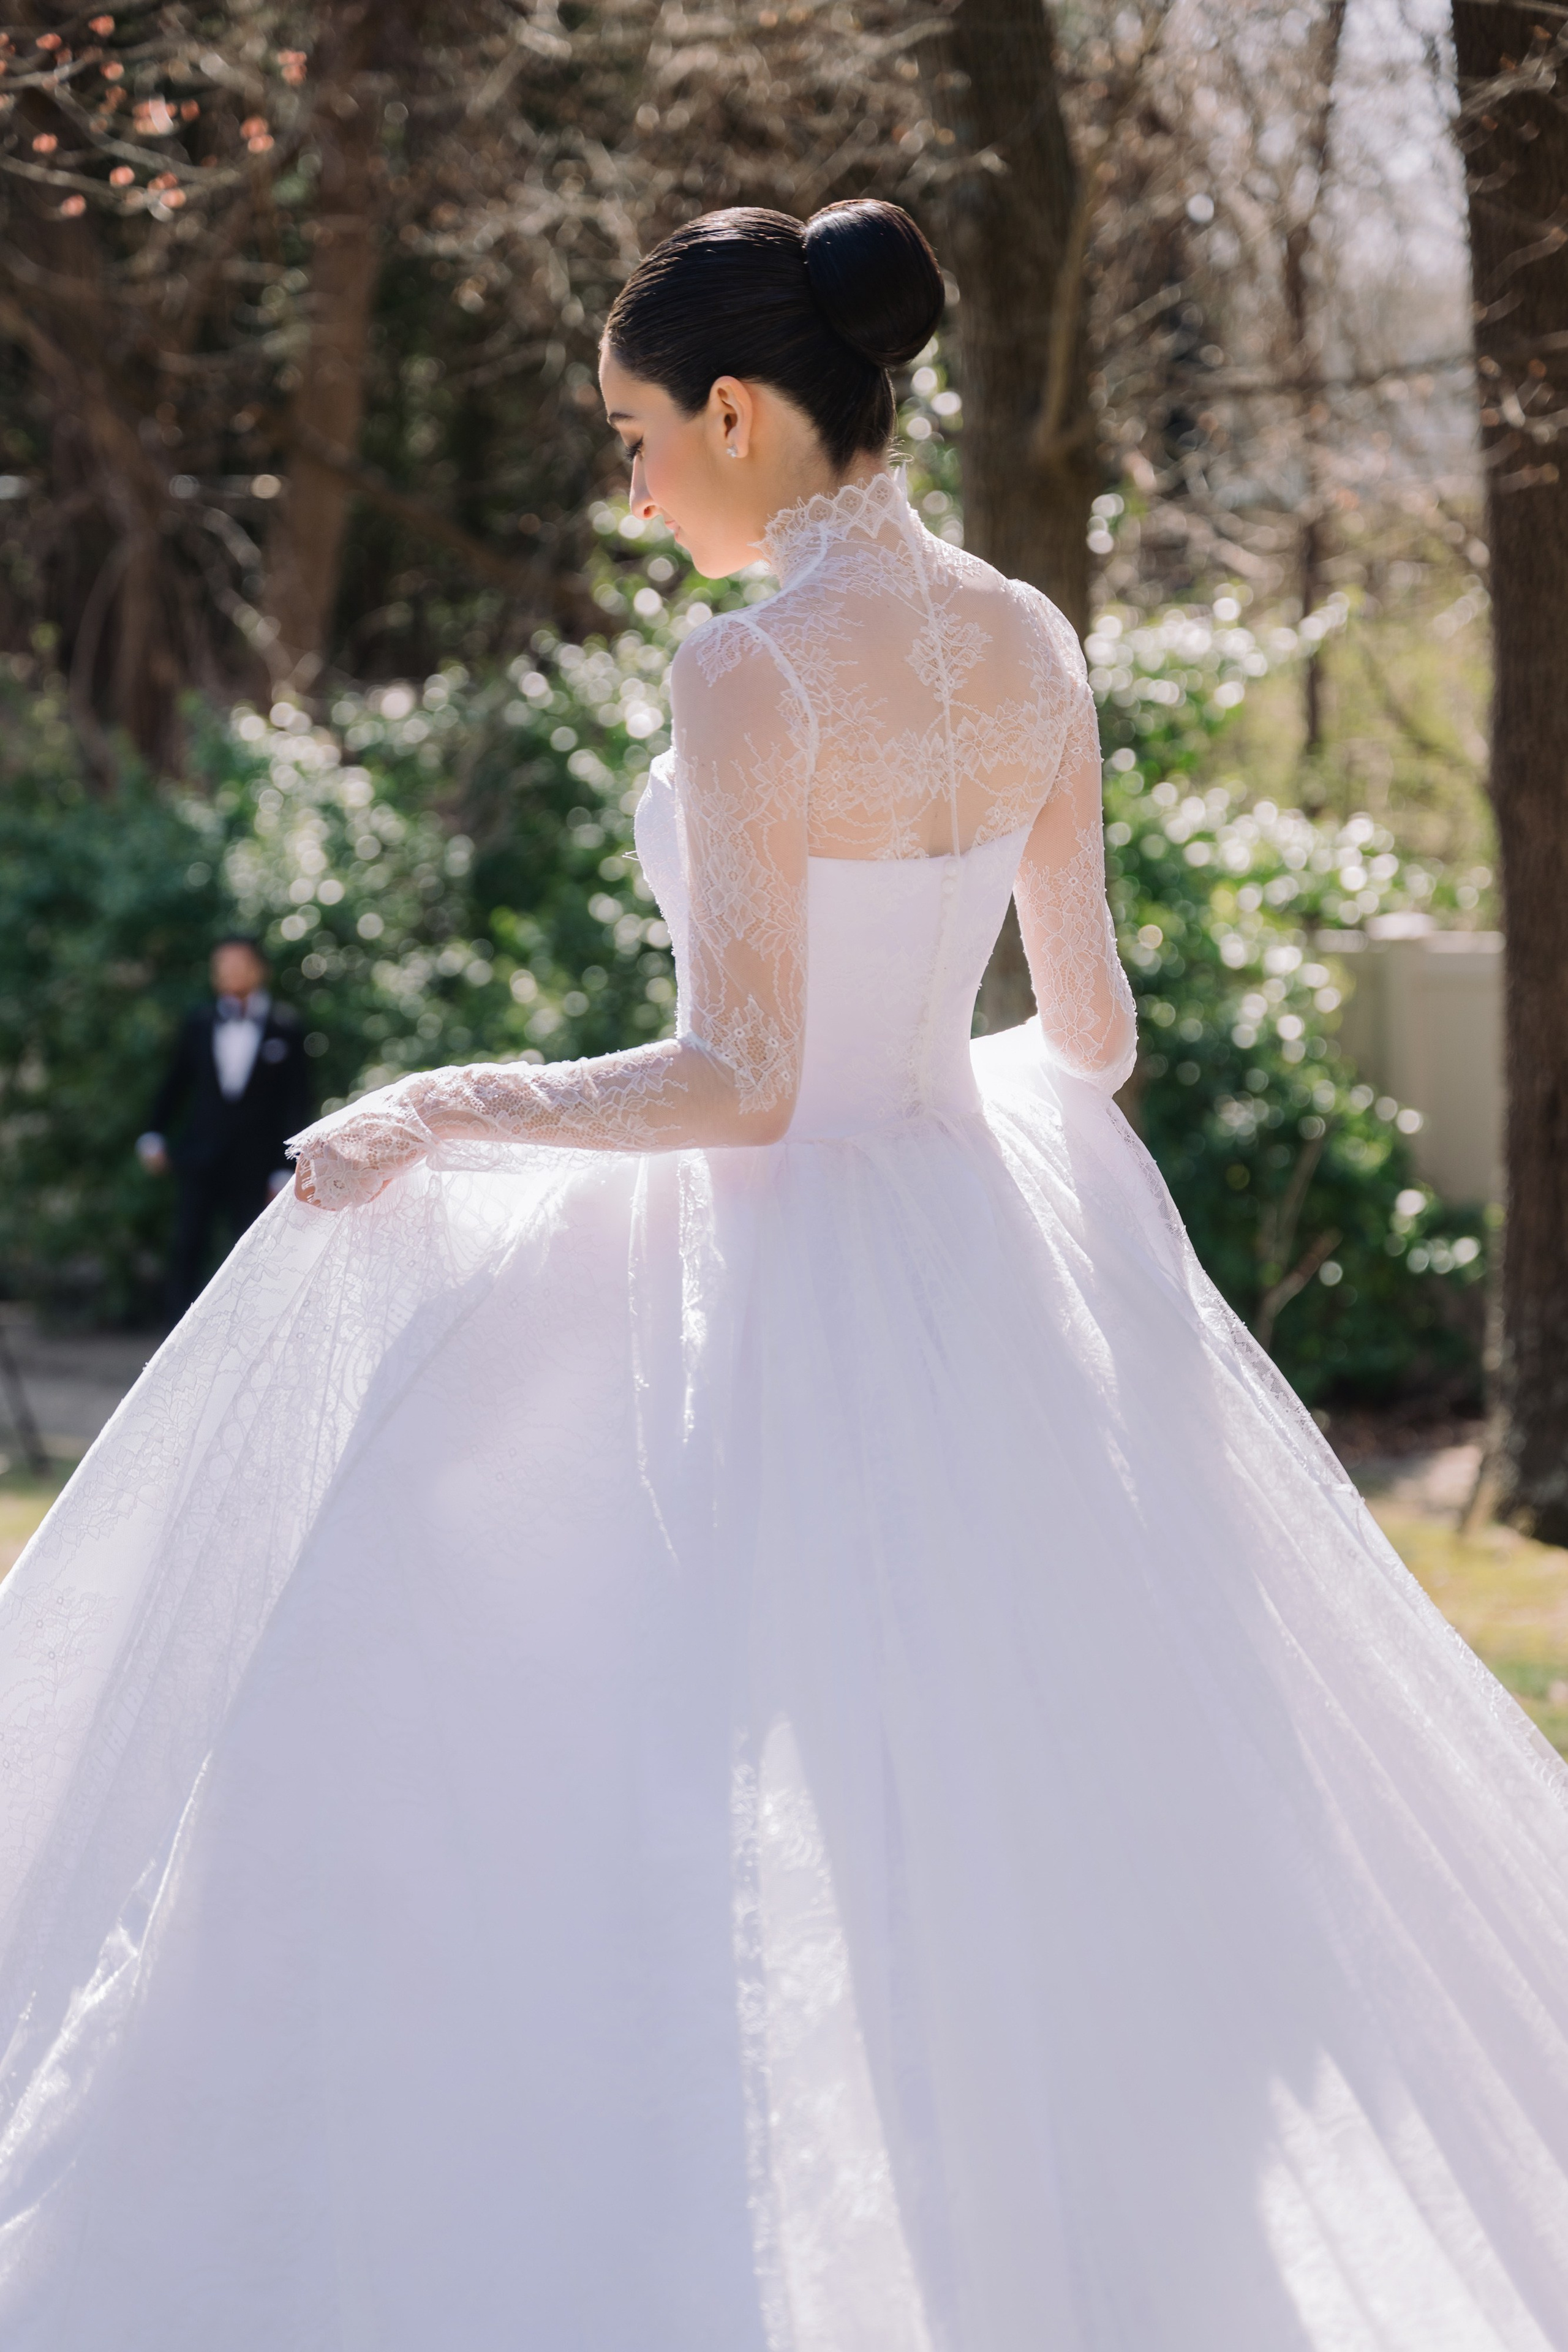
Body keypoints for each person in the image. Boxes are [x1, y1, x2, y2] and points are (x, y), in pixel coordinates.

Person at [0, 201, 1566, 2352]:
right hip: (972, 1248)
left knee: (629, 1748)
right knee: (1020, 1807)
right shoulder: (1030, 638)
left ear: (743, 413)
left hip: (763, 1274)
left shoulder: (746, 671)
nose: (631, 488)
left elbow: (740, 1080)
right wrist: (949, 1097)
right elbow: (1094, 1046)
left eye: (640, 436)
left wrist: (450, 1100)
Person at [137, 935, 312, 1322]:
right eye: (223, 965)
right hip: (201, 1155)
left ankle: (250, 1330)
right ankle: (176, 1336)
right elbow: (176, 1083)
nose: (230, 972)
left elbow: (296, 1101)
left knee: (253, 1246)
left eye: (239, 963)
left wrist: (289, 1165)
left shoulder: (286, 1025)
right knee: (187, 1245)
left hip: (258, 1162)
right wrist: (154, 1133)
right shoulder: (199, 1022)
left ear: (259, 969)